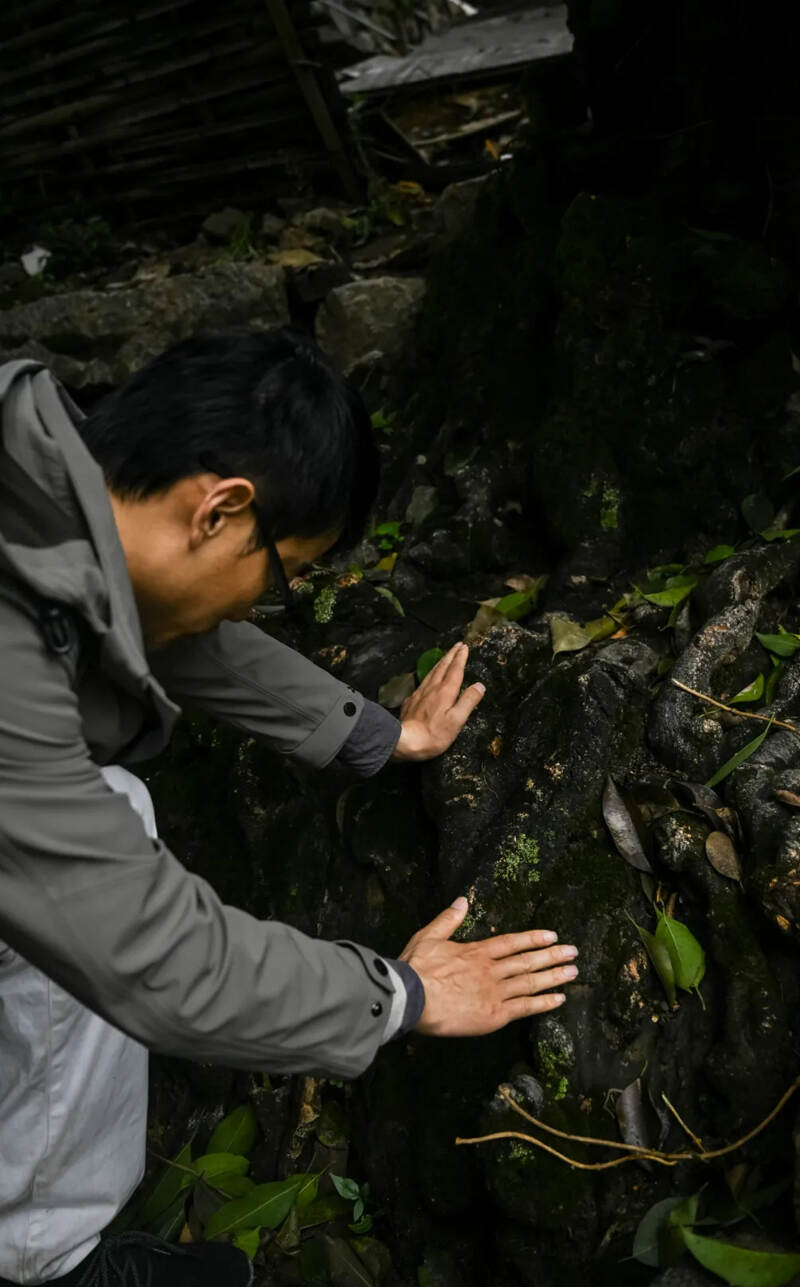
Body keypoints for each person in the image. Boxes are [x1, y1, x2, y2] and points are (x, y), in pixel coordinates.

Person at [0, 328, 579, 1287]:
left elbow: (161, 620)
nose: (257, 606)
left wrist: (375, 736)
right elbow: (158, 958)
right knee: (110, 824)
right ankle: (43, 1265)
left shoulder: (44, 476)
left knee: (117, 800)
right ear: (222, 507)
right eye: (281, 575)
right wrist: (406, 994)